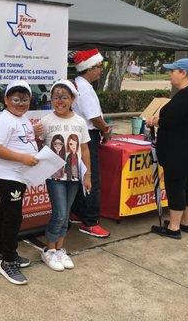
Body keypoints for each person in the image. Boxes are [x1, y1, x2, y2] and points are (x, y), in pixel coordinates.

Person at [146, 58, 188, 239]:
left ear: (183, 73)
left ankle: (173, 227)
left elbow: (170, 121)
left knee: (175, 186)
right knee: (187, 184)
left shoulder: (186, 95)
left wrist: (156, 121)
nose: (169, 75)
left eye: (172, 71)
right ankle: (185, 222)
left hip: (180, 152)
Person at [0, 80, 42, 285]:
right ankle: (9, 261)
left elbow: (23, 143)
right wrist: (22, 158)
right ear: (6, 100)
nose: (20, 103)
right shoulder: (4, 120)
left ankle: (3, 253)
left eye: (25, 99)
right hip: (8, 176)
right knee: (13, 217)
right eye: (16, 99)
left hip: (18, 176)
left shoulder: (22, 119)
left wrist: (35, 137)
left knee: (5, 213)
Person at [37, 80, 91, 271]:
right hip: (54, 175)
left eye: (64, 97)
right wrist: (35, 136)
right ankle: (49, 249)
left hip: (75, 175)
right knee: (59, 213)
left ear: (72, 99)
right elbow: (37, 148)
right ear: (51, 99)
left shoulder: (79, 122)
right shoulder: (46, 121)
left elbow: (84, 149)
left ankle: (60, 249)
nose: (60, 101)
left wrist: (88, 175)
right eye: (56, 97)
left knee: (66, 214)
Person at [71, 48, 111, 238]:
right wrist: (106, 129)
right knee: (91, 178)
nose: (101, 70)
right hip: (88, 134)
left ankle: (78, 212)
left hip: (79, 134)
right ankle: (91, 220)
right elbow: (94, 117)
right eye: (99, 66)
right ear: (89, 68)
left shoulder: (80, 84)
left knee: (80, 174)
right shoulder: (85, 88)